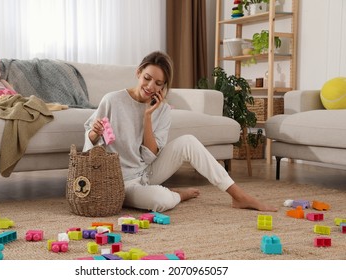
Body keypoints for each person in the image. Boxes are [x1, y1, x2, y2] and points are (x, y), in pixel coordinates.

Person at [83, 51, 277, 213]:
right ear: (138, 73)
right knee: (161, 201)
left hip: (146, 172)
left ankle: (238, 196)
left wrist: (148, 116)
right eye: (147, 78)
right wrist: (94, 134)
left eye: (158, 83)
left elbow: (149, 157)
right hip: (120, 181)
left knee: (189, 142)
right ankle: (177, 194)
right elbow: (89, 147)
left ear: (164, 86)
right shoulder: (112, 100)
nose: (151, 87)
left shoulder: (163, 110)